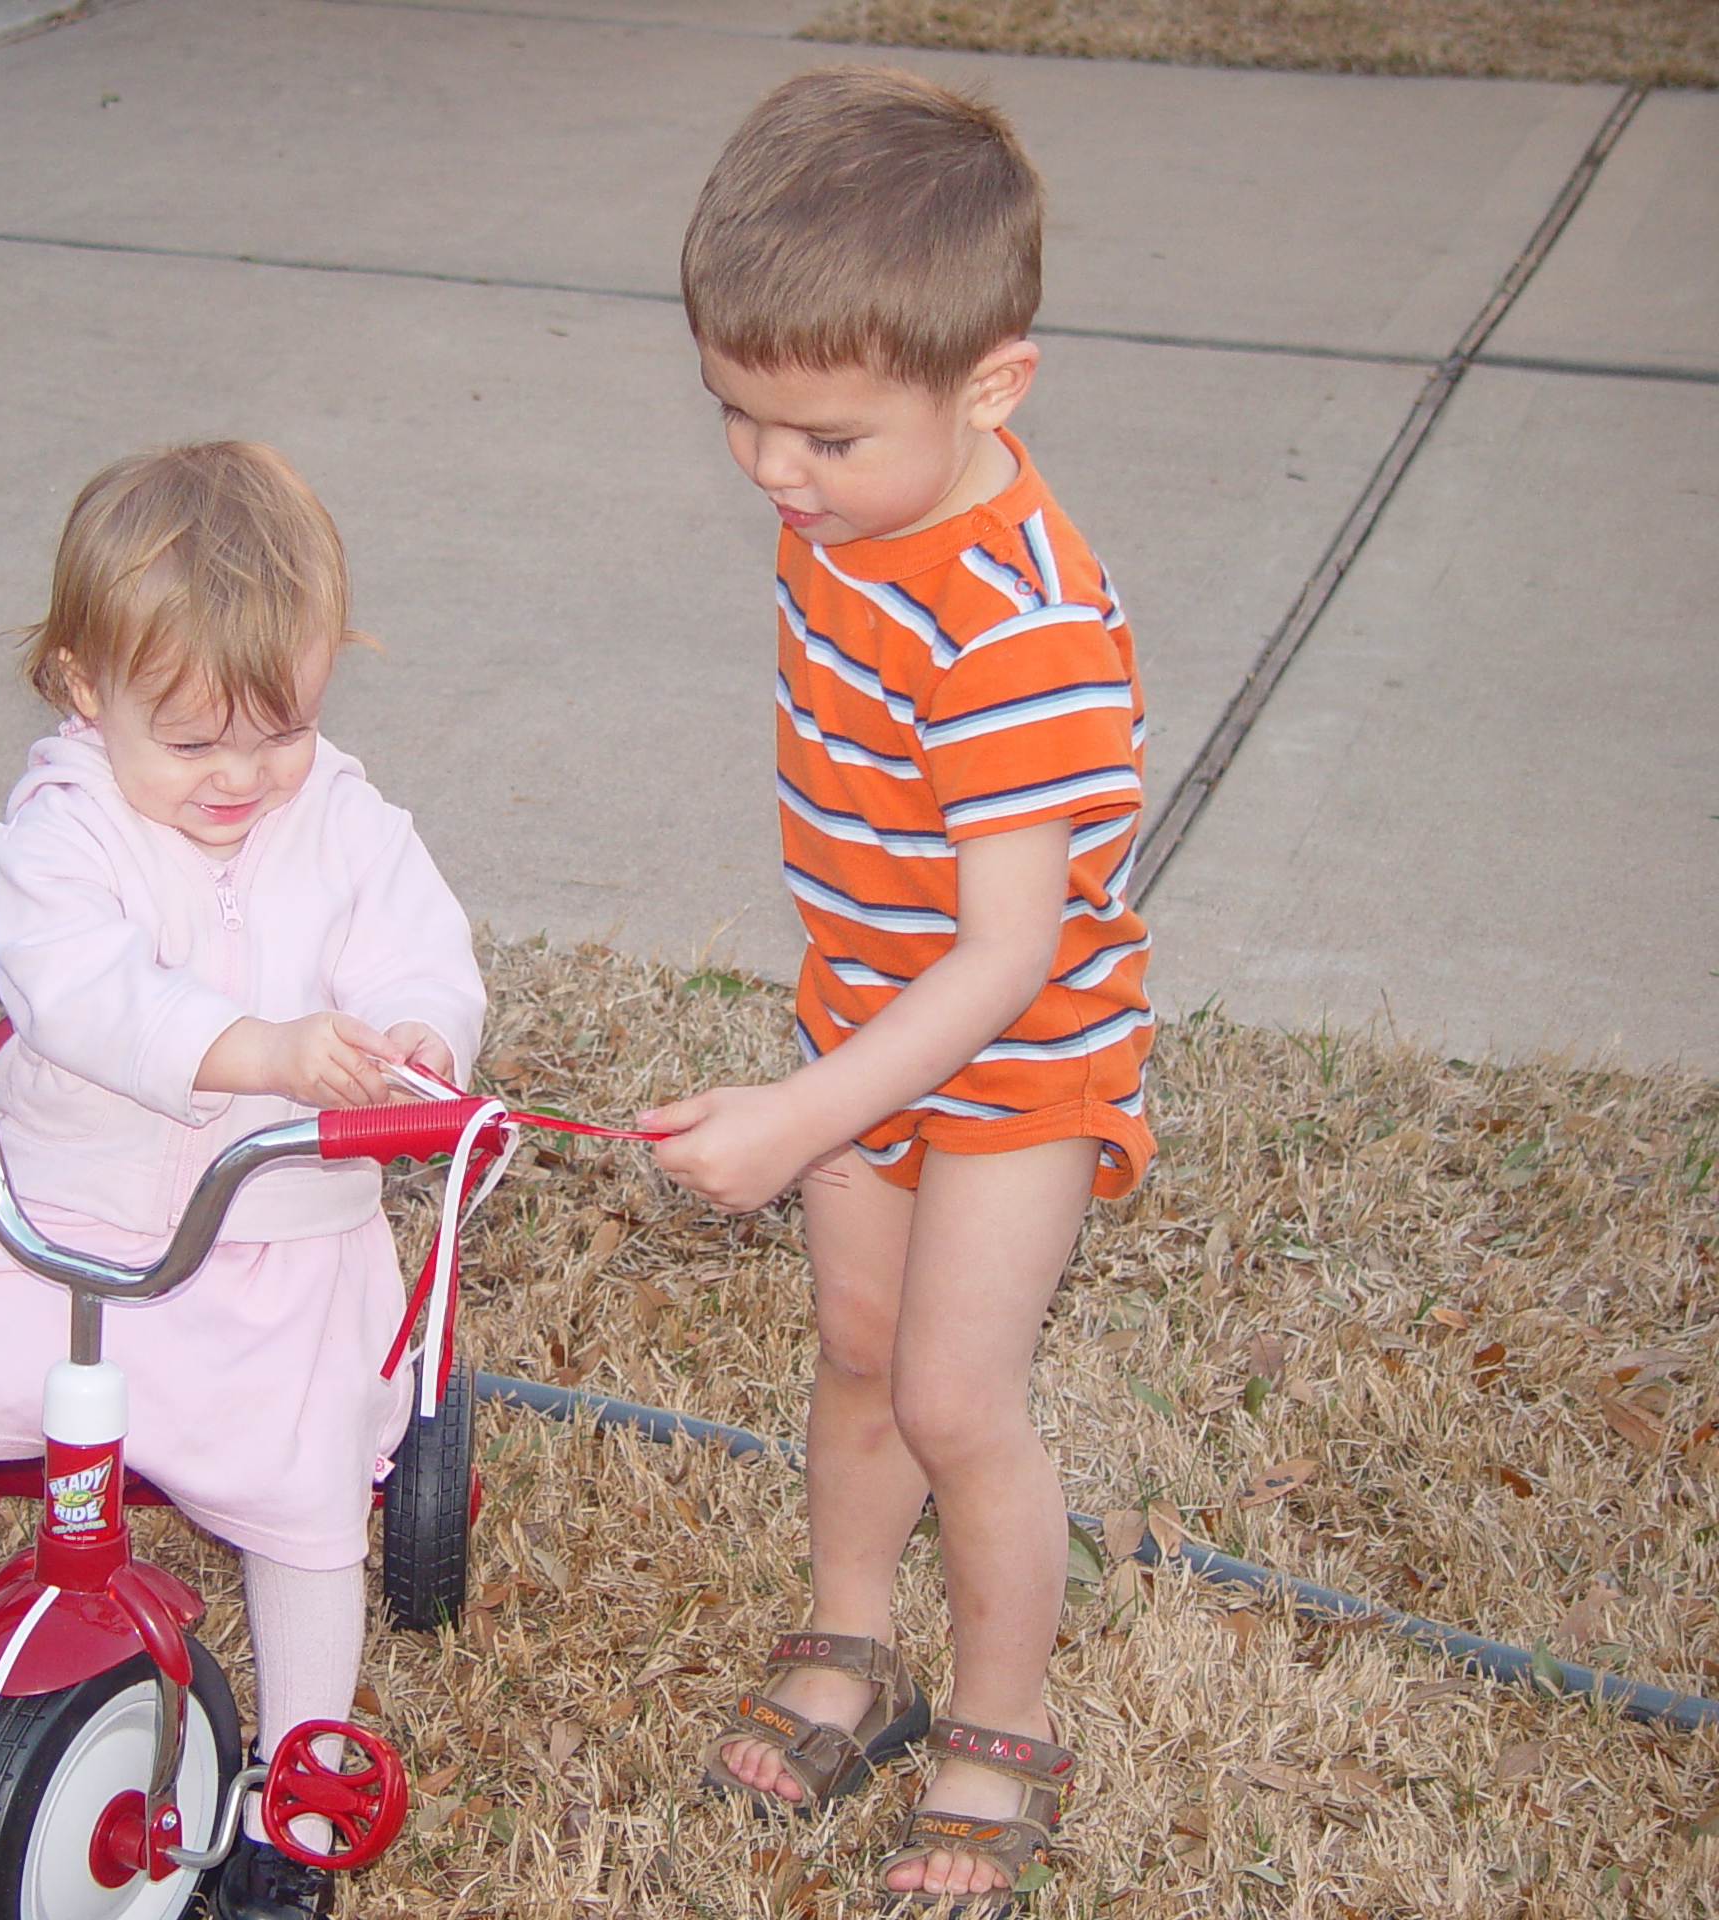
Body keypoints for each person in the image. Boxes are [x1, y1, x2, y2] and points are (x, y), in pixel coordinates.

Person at [0, 441, 484, 1920]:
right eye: (192, 744)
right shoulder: (59, 827)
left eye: (282, 731)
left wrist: (414, 1036)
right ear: (84, 689)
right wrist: (257, 1048)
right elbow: (80, 993)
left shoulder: (348, 822)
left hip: (270, 1238)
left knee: (310, 1499)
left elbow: (419, 951)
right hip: (60, 1223)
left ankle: (303, 1771)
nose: (242, 778)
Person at [646, 66, 1154, 1912]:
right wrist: (830, 1079)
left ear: (992, 384)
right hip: (866, 1017)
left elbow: (1015, 953)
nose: (777, 472)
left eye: (826, 437)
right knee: (851, 1350)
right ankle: (852, 1646)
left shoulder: (1015, 623)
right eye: (739, 415)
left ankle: (1002, 1723)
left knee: (952, 1397)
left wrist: (803, 1110)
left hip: (1014, 1059)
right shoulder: (850, 512)